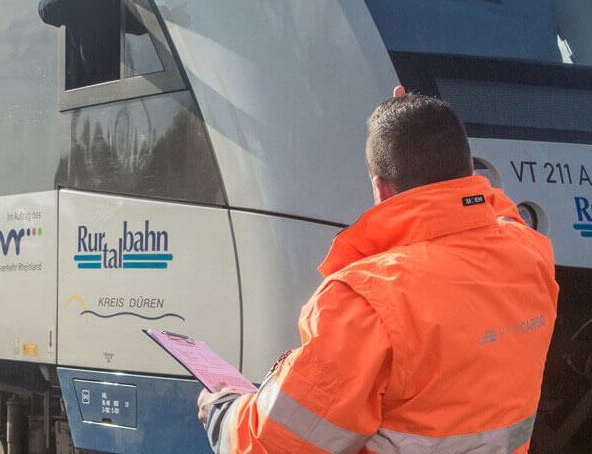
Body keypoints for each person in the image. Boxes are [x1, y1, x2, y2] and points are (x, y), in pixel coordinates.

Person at [197, 87, 558, 453]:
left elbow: (273, 445)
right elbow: (497, 211)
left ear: (380, 189)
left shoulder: (365, 301)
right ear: (468, 171)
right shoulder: (528, 252)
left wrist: (223, 412)